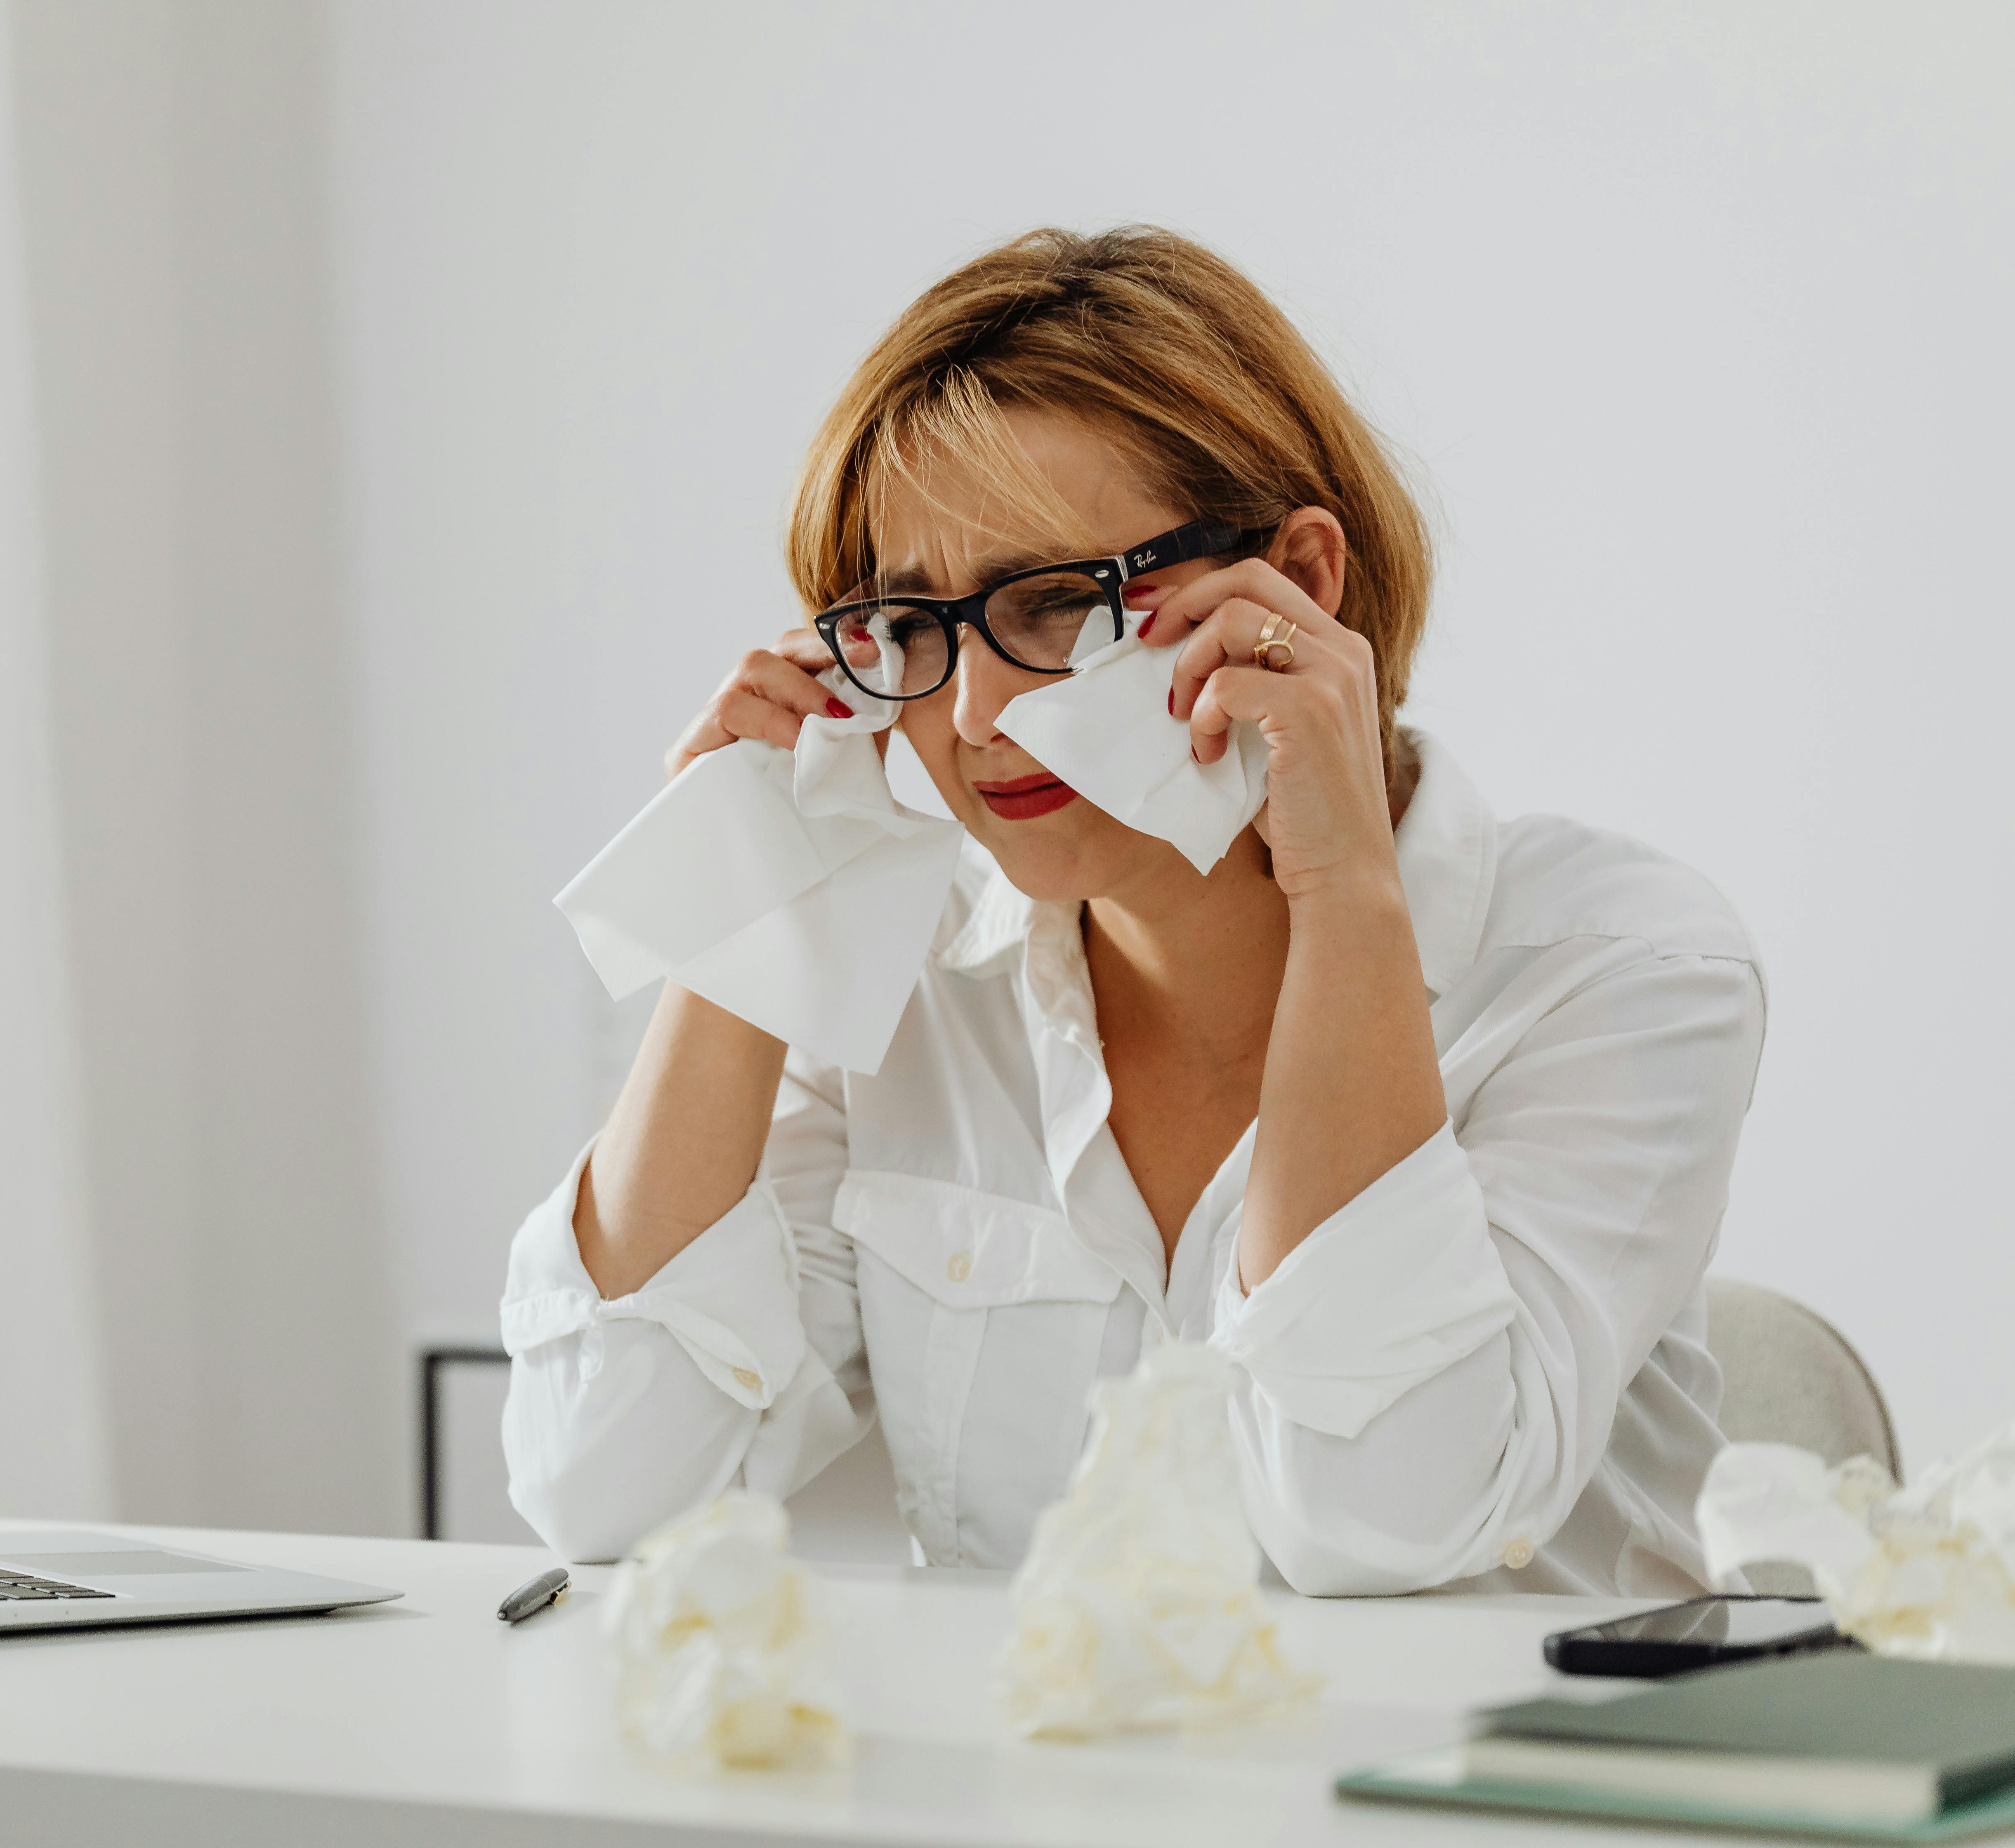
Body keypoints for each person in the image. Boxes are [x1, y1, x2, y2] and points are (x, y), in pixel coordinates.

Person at [499, 226, 1763, 1596]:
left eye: (1055, 604)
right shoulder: (902, 988)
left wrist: (1342, 892)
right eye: (916, 628)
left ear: (1301, 586)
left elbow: (1377, 1520)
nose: (976, 715)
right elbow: (604, 1488)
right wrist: (743, 901)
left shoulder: (1622, 965)